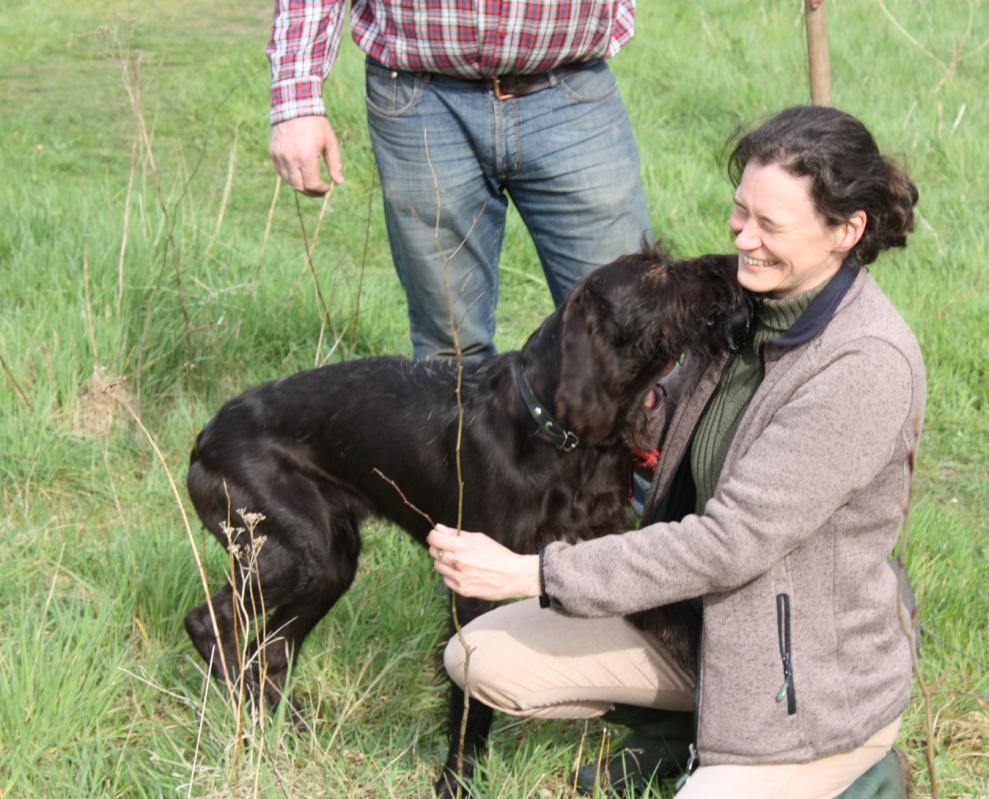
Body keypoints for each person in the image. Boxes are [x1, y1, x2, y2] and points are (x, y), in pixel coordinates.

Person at [427, 105, 925, 798]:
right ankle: (686, 724)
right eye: (739, 210)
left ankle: (862, 767)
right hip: (696, 626)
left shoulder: (863, 366)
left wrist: (536, 570)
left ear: (847, 230)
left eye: (770, 225)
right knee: (479, 653)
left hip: (801, 684)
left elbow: (726, 545)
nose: (743, 237)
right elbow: (665, 426)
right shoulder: (751, 306)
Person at [267, 1, 653, 360]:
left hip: (572, 85)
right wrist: (297, 100)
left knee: (628, 333)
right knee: (450, 351)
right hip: (420, 98)